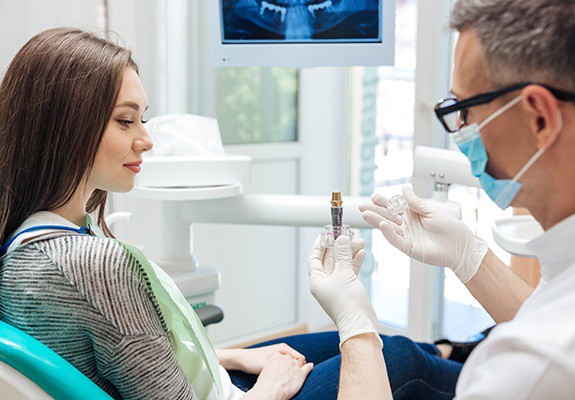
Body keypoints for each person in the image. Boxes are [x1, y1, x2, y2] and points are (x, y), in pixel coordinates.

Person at [0, 27, 470, 400]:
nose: (146, 139)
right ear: (63, 124)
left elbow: (125, 356)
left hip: (202, 378)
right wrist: (267, 388)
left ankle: (462, 351)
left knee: (358, 343)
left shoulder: (26, 241)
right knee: (401, 358)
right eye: (126, 121)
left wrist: (235, 357)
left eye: (143, 118)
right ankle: (500, 371)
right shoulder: (90, 264)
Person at [308, 0, 575, 399]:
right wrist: (468, 255)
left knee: (401, 357)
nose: (460, 130)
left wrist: (356, 326)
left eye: (465, 109)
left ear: (539, 117)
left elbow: (549, 337)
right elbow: (550, 310)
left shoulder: (531, 366)